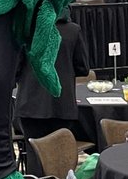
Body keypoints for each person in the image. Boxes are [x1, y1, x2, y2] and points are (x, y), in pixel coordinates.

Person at [15, 9, 90, 170]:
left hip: (30, 105)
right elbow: (83, 68)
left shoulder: (26, 31)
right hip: (62, 105)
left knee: (34, 155)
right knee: (60, 157)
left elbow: (15, 68)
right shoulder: (73, 31)